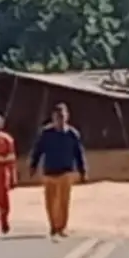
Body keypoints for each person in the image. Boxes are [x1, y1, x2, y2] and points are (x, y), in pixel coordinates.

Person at [29, 102, 86, 238]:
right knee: (50, 202)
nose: (59, 119)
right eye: (56, 117)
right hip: (49, 172)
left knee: (63, 202)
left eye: (62, 116)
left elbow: (78, 153)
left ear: (67, 117)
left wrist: (82, 170)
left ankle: (62, 227)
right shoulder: (46, 133)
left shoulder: (72, 134)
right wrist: (33, 165)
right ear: (53, 118)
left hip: (66, 172)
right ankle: (53, 226)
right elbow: (38, 150)